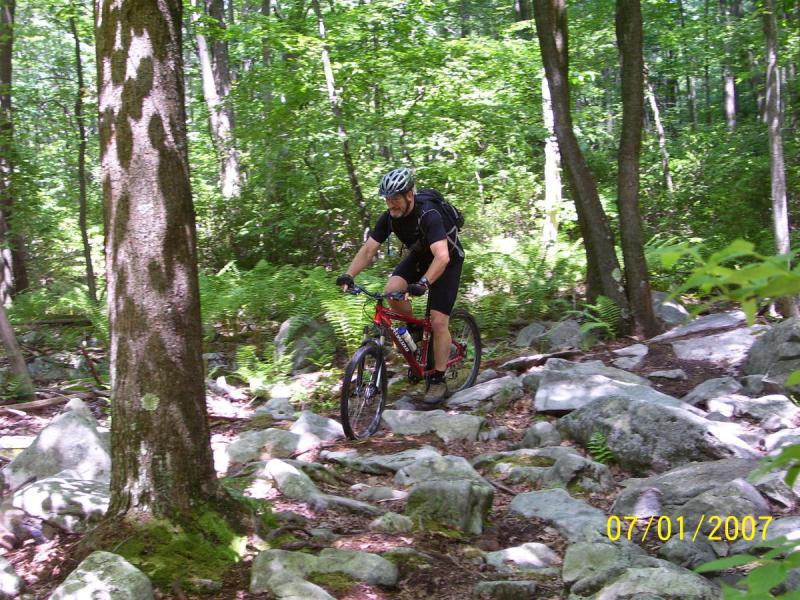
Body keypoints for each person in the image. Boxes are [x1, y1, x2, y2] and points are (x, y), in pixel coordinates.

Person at [336, 167, 464, 403]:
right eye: (387, 199)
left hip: (447, 261)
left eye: (395, 198)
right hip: (420, 258)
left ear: (409, 195)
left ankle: (438, 379)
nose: (390, 204)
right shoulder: (390, 218)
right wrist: (348, 275)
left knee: (437, 321)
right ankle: (415, 334)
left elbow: (442, 256)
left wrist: (424, 283)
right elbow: (368, 250)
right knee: (391, 291)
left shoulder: (429, 214)